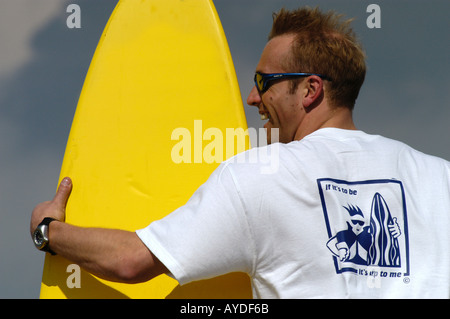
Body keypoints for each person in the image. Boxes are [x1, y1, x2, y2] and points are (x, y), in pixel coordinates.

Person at [31, 7, 450, 298]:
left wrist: (50, 231)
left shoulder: (260, 175)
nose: (251, 97)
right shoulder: (439, 178)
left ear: (310, 89)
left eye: (264, 82)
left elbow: (132, 262)